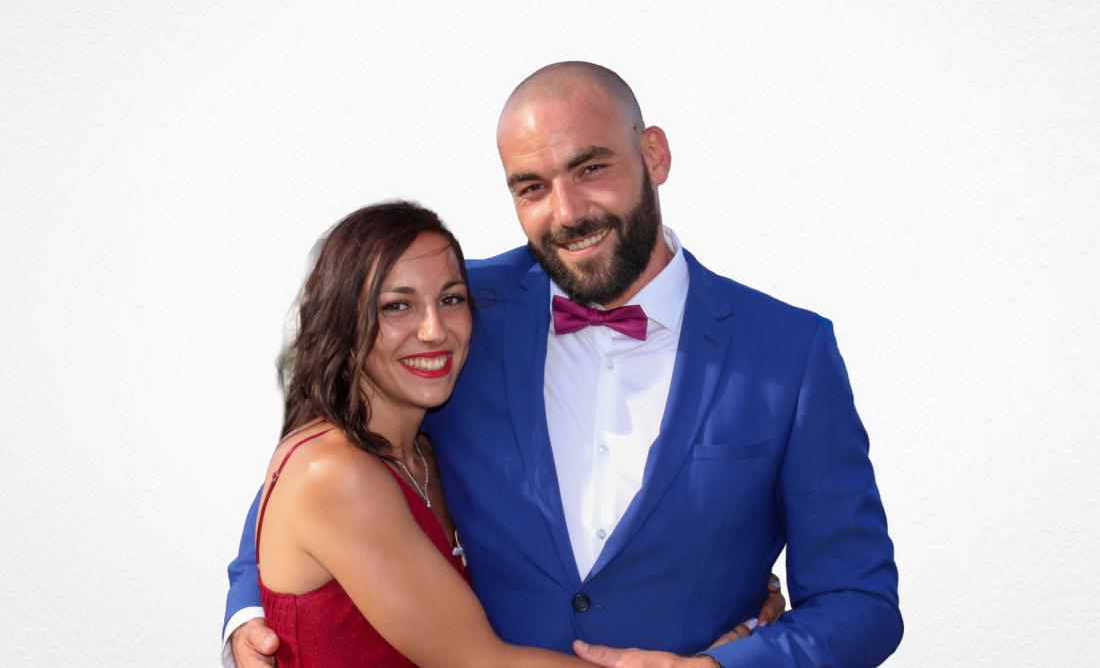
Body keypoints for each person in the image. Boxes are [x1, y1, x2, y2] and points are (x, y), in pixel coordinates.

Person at [225, 62, 902, 667]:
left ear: (654, 154)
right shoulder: (454, 313)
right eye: (532, 187)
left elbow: (860, 600)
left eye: (590, 169)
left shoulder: (790, 351)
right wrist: (252, 607)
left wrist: (730, 666)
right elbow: (325, 464)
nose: (567, 212)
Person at [249, 200, 613, 666]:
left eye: (451, 299)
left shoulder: (425, 452)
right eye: (397, 306)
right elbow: (482, 662)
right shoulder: (336, 475)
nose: (433, 330)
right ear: (343, 322)